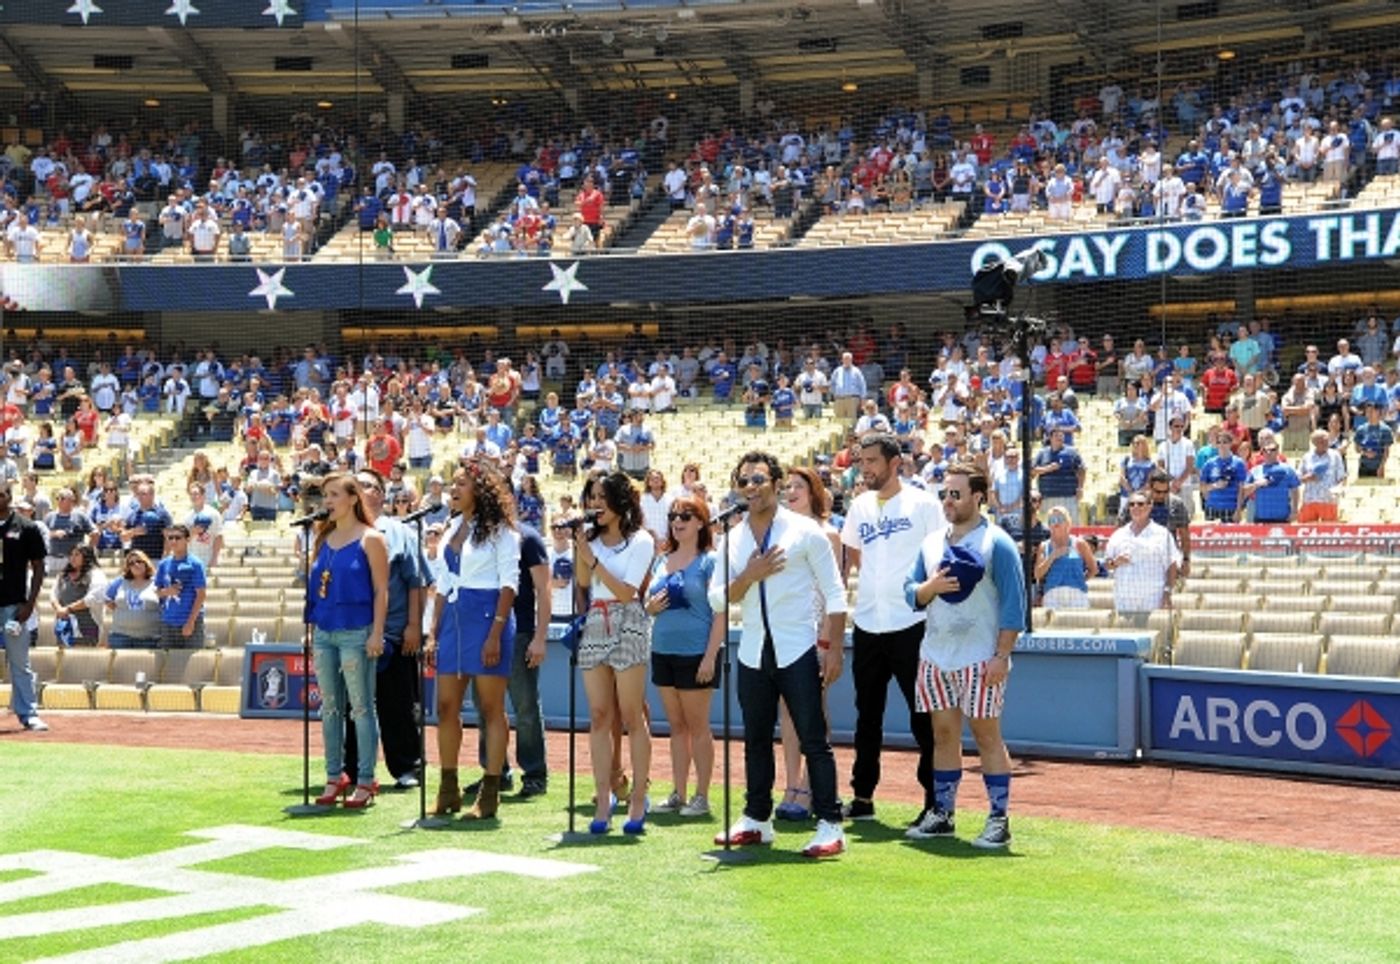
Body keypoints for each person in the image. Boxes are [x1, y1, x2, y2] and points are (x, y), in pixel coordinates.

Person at [711, 451, 848, 859]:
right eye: (743, 481)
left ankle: (829, 823)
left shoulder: (805, 531)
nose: (750, 488)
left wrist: (835, 649)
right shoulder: (731, 539)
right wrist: (748, 576)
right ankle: (757, 819)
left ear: (776, 482)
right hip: (753, 649)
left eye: (758, 480)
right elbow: (717, 598)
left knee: (813, 739)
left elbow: (837, 595)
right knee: (754, 738)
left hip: (798, 647)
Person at [903, 461, 1026, 849]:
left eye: (956, 494)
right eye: (944, 494)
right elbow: (910, 594)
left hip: (980, 656)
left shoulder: (998, 543)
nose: (948, 501)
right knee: (943, 735)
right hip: (936, 654)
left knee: (986, 734)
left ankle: (998, 818)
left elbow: (1014, 606)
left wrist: (1002, 655)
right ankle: (943, 814)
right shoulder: (931, 542)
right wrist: (930, 586)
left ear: (978, 496)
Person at [839, 433, 945, 826]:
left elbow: (938, 560)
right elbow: (852, 560)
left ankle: (936, 802)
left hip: (912, 624)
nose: (864, 468)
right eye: (861, 461)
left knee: (923, 716)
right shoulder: (859, 506)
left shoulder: (924, 504)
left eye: (871, 461)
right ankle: (863, 797)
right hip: (868, 622)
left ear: (894, 462)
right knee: (867, 716)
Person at [425, 459, 520, 822]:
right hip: (453, 618)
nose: (454, 489)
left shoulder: (502, 533)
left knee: (490, 708)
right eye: (453, 483)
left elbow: (510, 584)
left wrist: (496, 632)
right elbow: (443, 585)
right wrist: (433, 632)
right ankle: (448, 789)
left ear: (480, 490)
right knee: (446, 706)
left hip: (486, 617)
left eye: (461, 483)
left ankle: (491, 790)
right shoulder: (450, 529)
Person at [574, 471, 655, 835]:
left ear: (621, 501)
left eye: (603, 496)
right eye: (591, 496)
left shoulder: (641, 541)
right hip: (596, 620)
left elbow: (627, 592)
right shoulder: (589, 542)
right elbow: (583, 584)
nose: (596, 504)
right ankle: (603, 797)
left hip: (629, 620)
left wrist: (592, 560)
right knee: (598, 715)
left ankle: (638, 796)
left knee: (631, 714)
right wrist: (581, 549)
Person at [340, 469, 429, 792]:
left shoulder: (401, 532)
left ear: (381, 494)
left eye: (370, 486)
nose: (364, 491)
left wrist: (413, 626)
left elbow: (417, 583)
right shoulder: (342, 532)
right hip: (351, 634)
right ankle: (352, 769)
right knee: (353, 705)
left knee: (398, 705)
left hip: (393, 634)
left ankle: (407, 766)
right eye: (358, 485)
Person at [307, 473, 389, 811]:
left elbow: (383, 590)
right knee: (329, 707)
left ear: (354, 498)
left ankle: (366, 779)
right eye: (325, 495)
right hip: (324, 629)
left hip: (357, 629)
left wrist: (377, 632)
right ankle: (333, 775)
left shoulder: (371, 538)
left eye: (334, 494)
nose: (327, 501)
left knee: (360, 706)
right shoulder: (323, 538)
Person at [645, 494, 721, 818]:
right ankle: (678, 792)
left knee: (697, 725)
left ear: (701, 522)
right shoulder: (660, 560)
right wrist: (647, 609)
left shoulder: (710, 562)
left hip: (695, 652)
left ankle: (701, 797)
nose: (678, 521)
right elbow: (646, 602)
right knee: (676, 726)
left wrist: (709, 657)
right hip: (662, 649)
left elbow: (720, 613)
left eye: (686, 516)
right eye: (674, 516)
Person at [773, 465, 842, 820]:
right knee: (787, 709)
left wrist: (829, 643)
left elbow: (836, 593)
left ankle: (813, 786)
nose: (790, 492)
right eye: (787, 487)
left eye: (798, 486)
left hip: (817, 634)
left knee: (814, 709)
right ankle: (792, 784)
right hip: (788, 632)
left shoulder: (828, 535)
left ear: (813, 491)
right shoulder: (782, 534)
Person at [467, 515, 552, 800]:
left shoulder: (527, 537)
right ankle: (495, 771)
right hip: (481, 630)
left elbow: (544, 588)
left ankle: (535, 774)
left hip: (520, 630)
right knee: (484, 706)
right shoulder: (475, 537)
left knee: (524, 705)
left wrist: (540, 637)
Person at [0, 480, 48, 730]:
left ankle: (28, 713)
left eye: (0, 495)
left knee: (20, 663)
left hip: (14, 606)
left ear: (8, 496)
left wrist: (30, 603)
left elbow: (39, 567)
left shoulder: (26, 526)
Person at [1105, 493, 1180, 620]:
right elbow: (1108, 564)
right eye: (1132, 504)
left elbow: (1172, 565)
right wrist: (1115, 562)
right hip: (1125, 599)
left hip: (1152, 599)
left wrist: (1167, 593)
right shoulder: (1119, 534)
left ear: (1150, 506)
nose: (1136, 507)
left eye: (1140, 504)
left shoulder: (1162, 534)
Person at [153, 525, 207, 649]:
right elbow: (157, 592)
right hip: (168, 620)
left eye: (178, 538)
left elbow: (201, 594)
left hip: (190, 620)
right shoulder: (163, 564)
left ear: (187, 540)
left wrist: (190, 622)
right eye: (170, 538)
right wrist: (167, 592)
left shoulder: (195, 564)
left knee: (191, 662)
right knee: (167, 661)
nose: (173, 541)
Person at [1034, 506, 1096, 610]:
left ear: (1068, 523)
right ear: (1049, 525)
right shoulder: (1044, 546)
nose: (1056, 523)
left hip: (1077, 594)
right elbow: (1037, 574)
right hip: (1052, 595)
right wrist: (1052, 556)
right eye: (1052, 520)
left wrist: (1080, 579)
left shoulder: (1079, 544)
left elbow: (1093, 569)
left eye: (1060, 519)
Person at [49, 545, 107, 647]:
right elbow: (53, 595)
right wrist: (59, 609)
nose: (72, 558)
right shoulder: (63, 576)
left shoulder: (96, 574)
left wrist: (68, 609)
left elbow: (93, 598)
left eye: (77, 554)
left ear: (86, 556)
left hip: (87, 626)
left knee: (83, 660)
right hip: (64, 625)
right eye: (71, 554)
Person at [102, 549, 162, 648]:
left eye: (139, 561)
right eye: (131, 563)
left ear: (146, 563)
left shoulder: (156, 582)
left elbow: (164, 603)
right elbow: (107, 598)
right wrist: (122, 611)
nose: (136, 565)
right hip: (120, 636)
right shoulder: (120, 581)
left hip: (148, 638)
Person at [1242, 438, 1301, 523]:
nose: (1268, 452)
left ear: (1277, 451)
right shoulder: (1255, 471)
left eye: (1272, 450)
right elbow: (1244, 492)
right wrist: (1256, 485)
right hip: (1261, 518)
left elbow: (1295, 490)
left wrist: (1294, 511)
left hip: (1282, 518)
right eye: (1265, 450)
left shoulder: (1288, 470)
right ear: (1262, 452)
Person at [1298, 428, 1347, 522]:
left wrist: (1338, 490)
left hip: (1328, 500)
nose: (1325, 443)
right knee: (1307, 529)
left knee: (1329, 531)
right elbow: (1298, 478)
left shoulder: (1335, 455)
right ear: (1314, 443)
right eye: (1321, 441)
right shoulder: (1307, 457)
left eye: (1326, 440)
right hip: (1310, 499)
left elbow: (1342, 477)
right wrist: (1308, 478)